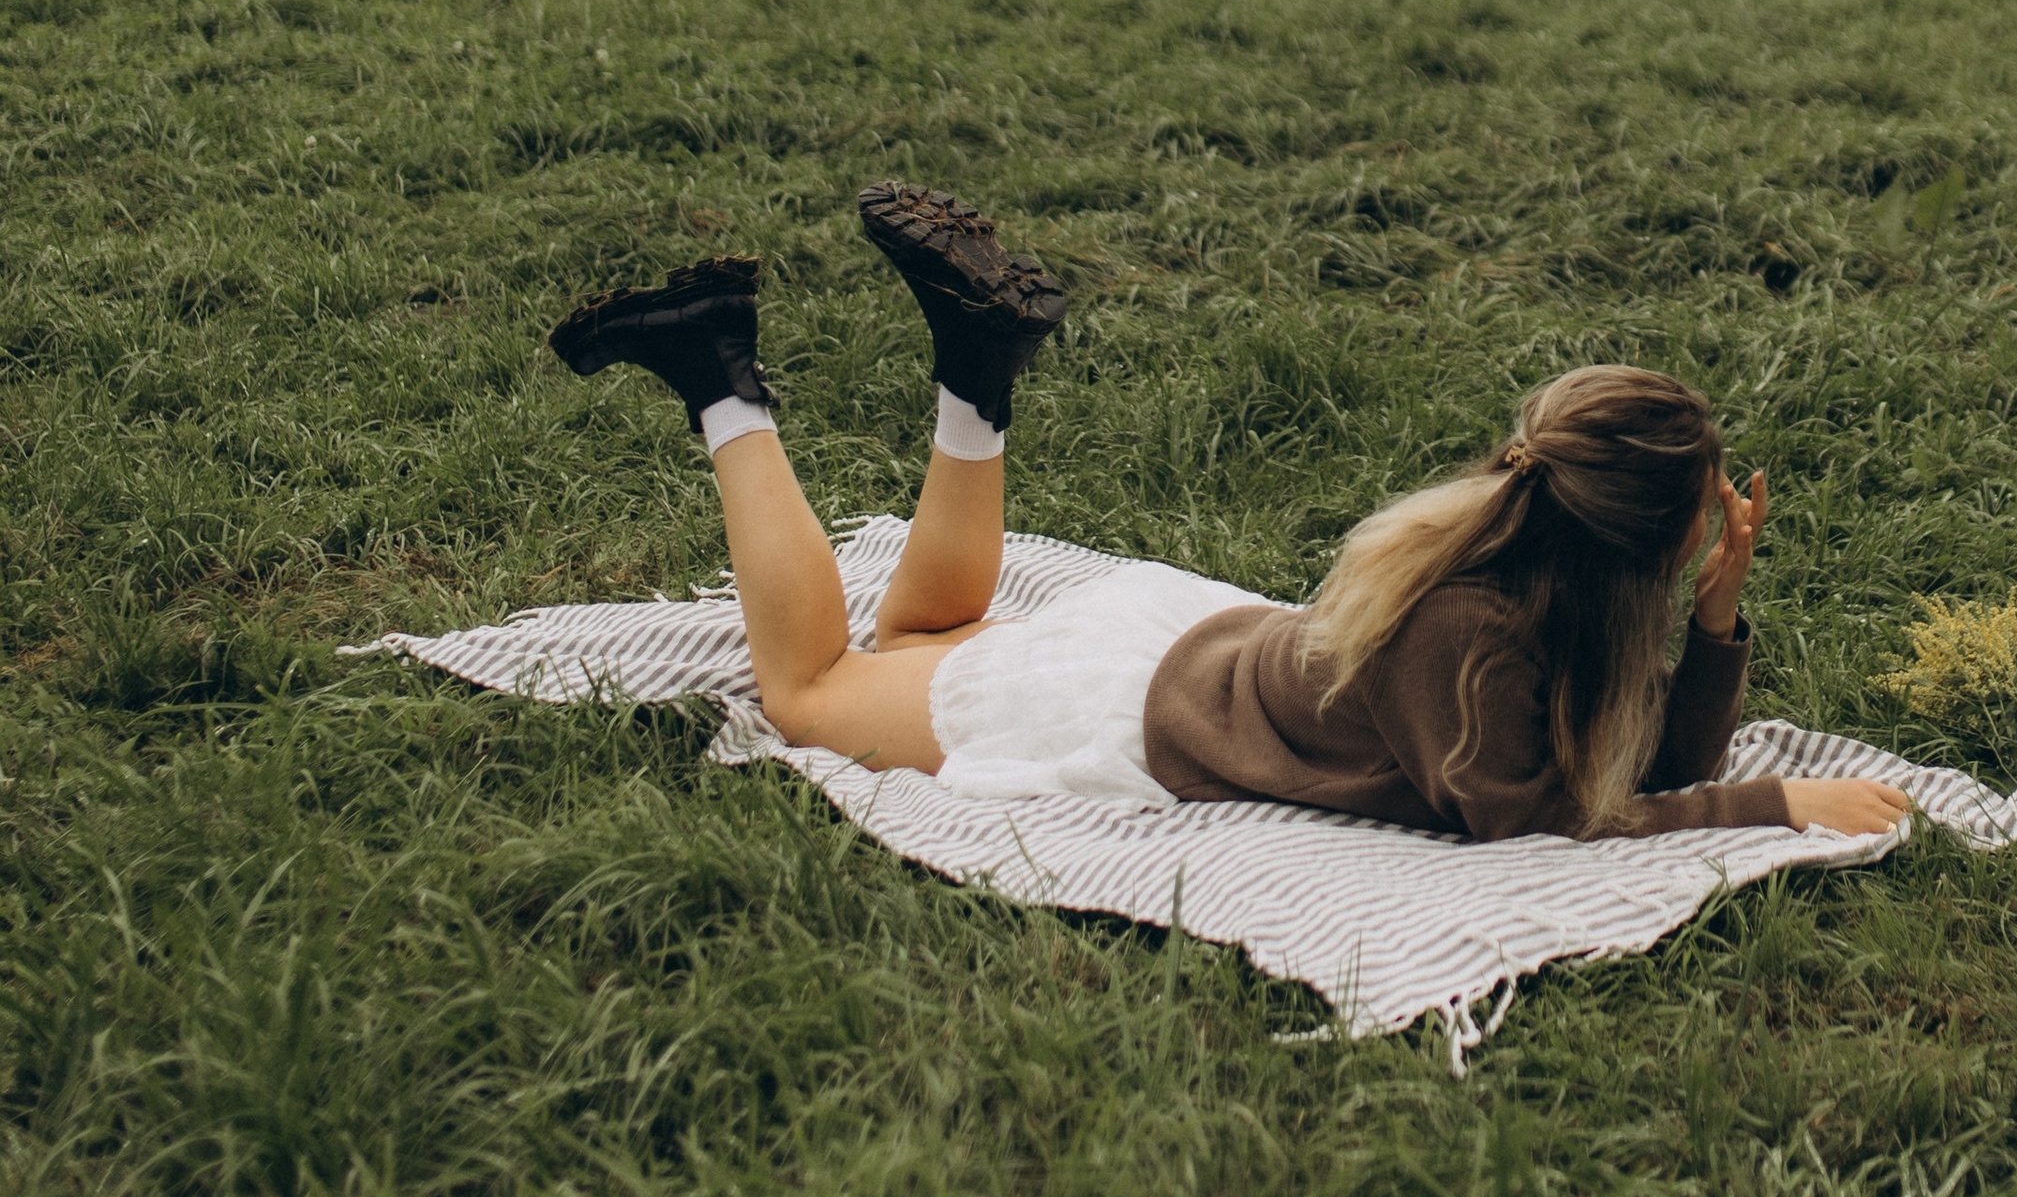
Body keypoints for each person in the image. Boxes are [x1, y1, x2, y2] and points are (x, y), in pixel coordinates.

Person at [549, 187, 1912, 843]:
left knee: (927, 629)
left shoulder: (1521, 574)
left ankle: (976, 374)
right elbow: (1546, 828)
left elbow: (1640, 762)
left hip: (1179, 653)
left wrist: (1716, 619)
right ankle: (713, 366)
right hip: (1128, 713)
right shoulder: (1478, 639)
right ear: (1646, 543)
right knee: (808, 689)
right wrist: (1775, 804)